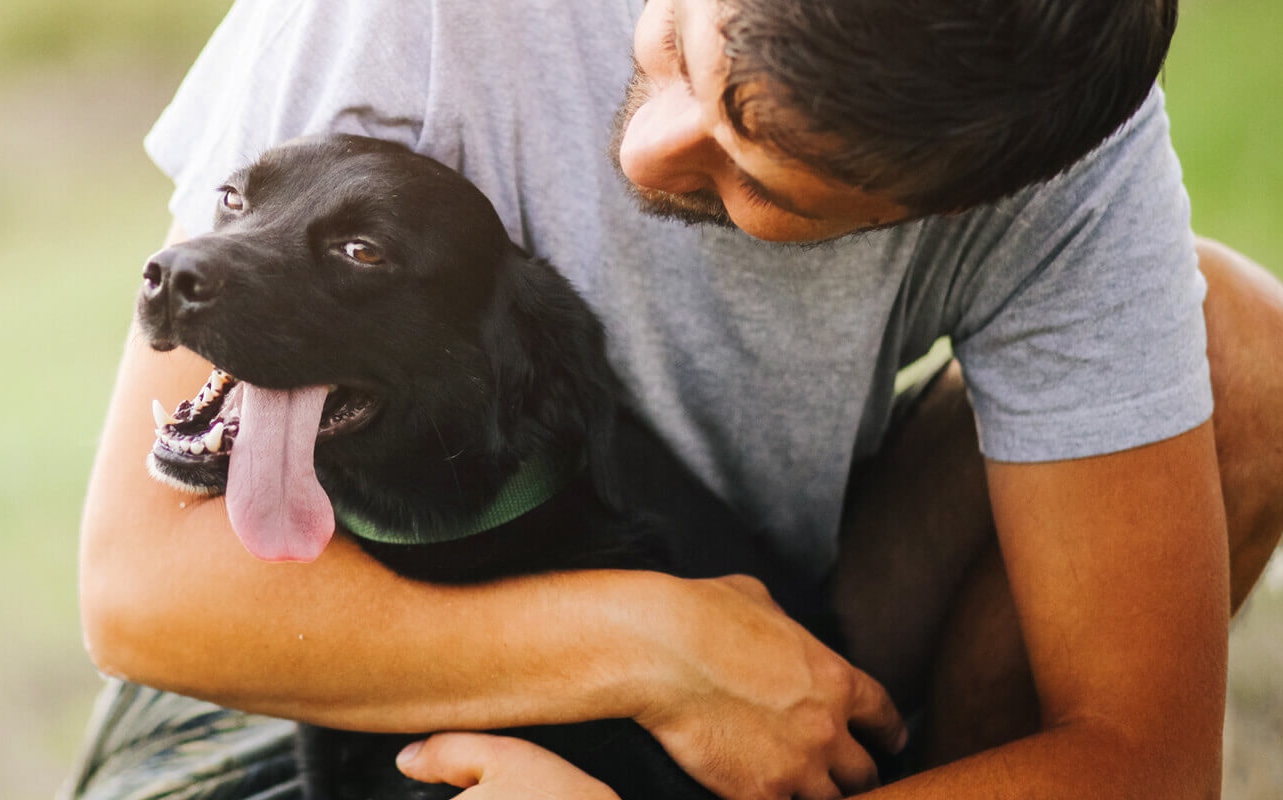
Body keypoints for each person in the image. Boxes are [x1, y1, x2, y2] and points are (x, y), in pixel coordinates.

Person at [70, 0, 1283, 797]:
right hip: (322, 654)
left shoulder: (1068, 173)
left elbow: (1138, 760)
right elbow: (147, 588)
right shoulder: (409, 14)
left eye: (761, 175)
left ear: (954, 198)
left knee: (1241, 352)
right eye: (685, 49)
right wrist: (655, 647)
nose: (649, 148)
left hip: (794, 627)